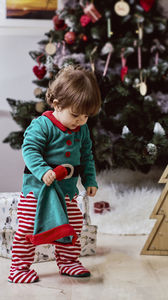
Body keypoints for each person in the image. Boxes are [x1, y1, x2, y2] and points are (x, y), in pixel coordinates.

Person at [8, 65, 101, 283]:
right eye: (76, 114)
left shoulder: (82, 129)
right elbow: (29, 149)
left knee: (73, 224)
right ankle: (19, 267)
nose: (80, 120)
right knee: (28, 226)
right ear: (57, 104)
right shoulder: (42, 125)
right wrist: (43, 171)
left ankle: (69, 262)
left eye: (86, 116)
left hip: (66, 192)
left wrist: (90, 179)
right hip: (38, 191)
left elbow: (86, 156)